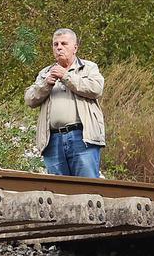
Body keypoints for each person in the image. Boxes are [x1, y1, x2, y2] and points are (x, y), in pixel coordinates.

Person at [25, 28, 106, 177]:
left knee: (87, 190)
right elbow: (29, 99)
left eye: (63, 43)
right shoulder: (45, 73)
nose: (59, 47)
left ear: (75, 47)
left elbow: (96, 89)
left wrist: (66, 77)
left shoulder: (88, 67)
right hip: (52, 139)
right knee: (59, 192)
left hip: (82, 137)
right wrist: (45, 85)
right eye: (55, 44)